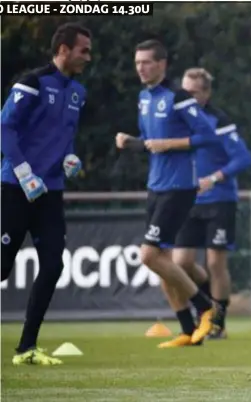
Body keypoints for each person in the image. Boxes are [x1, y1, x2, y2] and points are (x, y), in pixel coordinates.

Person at [115, 40, 219, 346]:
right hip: (156, 186)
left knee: (149, 255)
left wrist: (170, 144)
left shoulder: (178, 97)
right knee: (162, 261)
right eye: (137, 63)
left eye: (146, 62)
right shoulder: (143, 98)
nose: (141, 68)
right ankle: (188, 332)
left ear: (162, 64)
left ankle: (205, 307)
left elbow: (207, 136)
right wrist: (130, 141)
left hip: (179, 187)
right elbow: (151, 142)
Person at [1, 23, 91, 365]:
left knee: (53, 265)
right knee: (2, 268)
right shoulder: (33, 82)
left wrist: (70, 157)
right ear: (63, 49)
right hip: (15, 187)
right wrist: (24, 172)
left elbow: (65, 135)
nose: (88, 57)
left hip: (50, 193)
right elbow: (4, 127)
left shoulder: (78, 92)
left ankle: (26, 348)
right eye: (83, 50)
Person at [157, 68, 251, 348]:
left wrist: (214, 178)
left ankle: (218, 324)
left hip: (220, 201)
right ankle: (207, 307)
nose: (187, 97)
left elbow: (243, 158)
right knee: (181, 263)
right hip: (188, 201)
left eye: (194, 92)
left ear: (206, 94)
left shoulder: (218, 121)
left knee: (214, 263)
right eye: (184, 91)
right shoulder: (178, 121)